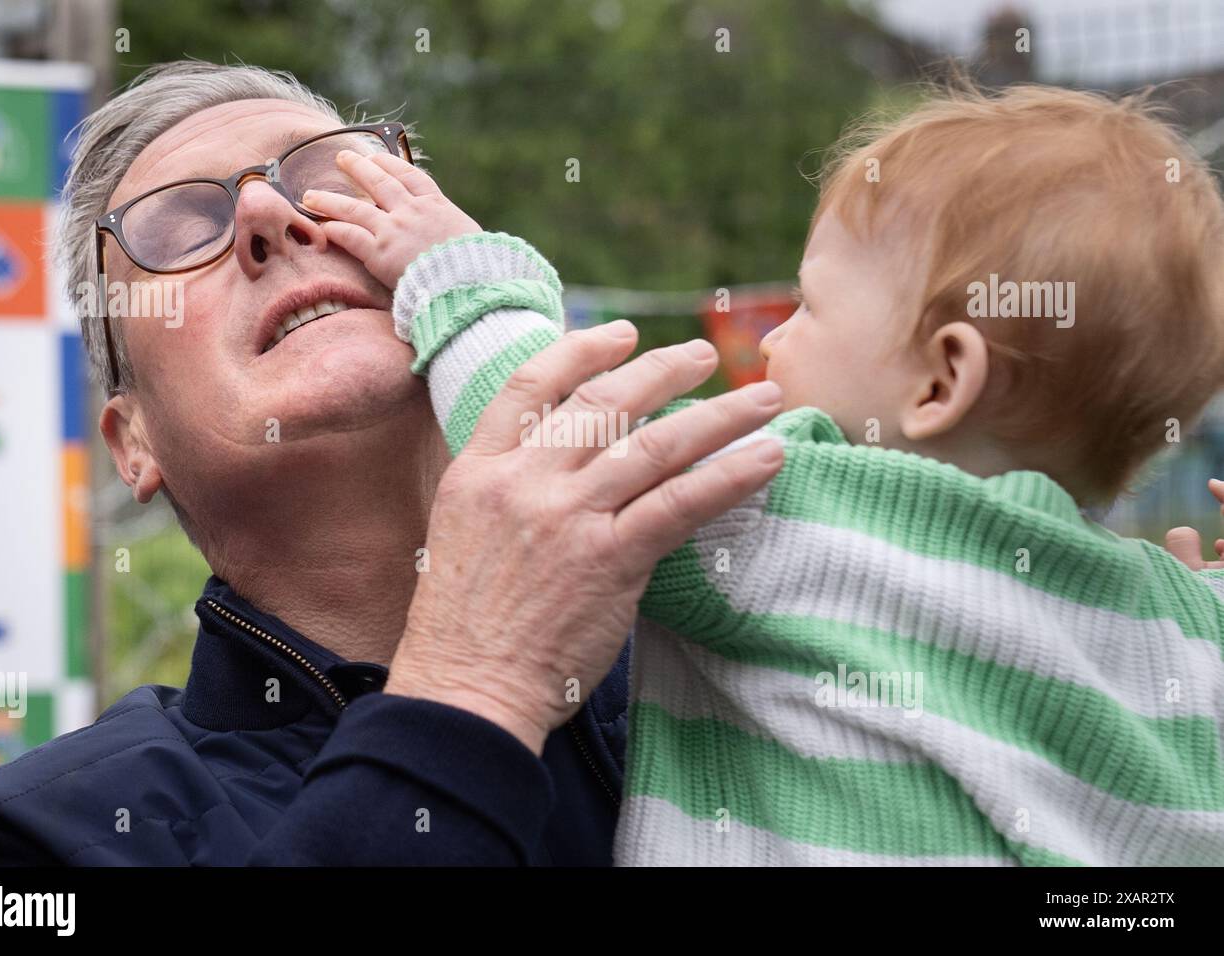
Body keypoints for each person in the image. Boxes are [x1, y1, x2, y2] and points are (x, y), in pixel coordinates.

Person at [305, 82, 1224, 865]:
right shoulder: (1176, 616)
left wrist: (454, 272)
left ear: (944, 379)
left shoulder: (788, 509)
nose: (774, 339)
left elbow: (559, 439)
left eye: (810, 307)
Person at [0, 60, 785, 865]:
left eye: (333, 183)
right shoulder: (28, 842)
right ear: (133, 441)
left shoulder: (736, 641)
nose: (271, 215)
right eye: (182, 230)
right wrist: (478, 682)